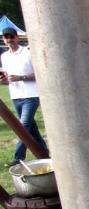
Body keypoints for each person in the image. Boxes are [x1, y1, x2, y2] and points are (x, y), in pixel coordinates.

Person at [0, 27, 49, 166]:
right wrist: (4, 81)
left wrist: (21, 77)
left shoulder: (28, 53)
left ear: (17, 38)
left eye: (11, 37)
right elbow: (7, 78)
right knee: (32, 129)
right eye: (6, 37)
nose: (9, 40)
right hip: (16, 96)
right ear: (3, 39)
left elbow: (39, 74)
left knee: (23, 126)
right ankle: (44, 153)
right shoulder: (4, 56)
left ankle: (18, 157)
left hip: (31, 95)